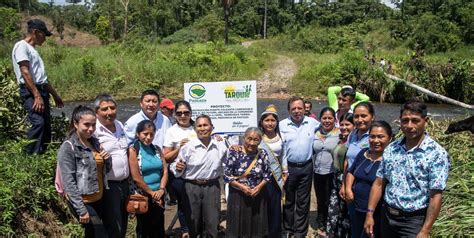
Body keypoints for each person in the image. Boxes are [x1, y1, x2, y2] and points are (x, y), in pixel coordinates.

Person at [364, 101, 450, 238]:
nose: (409, 126)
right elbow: (379, 182)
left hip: (413, 222)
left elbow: (435, 196)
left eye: (415, 121)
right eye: (405, 121)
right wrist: (369, 213)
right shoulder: (392, 148)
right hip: (387, 216)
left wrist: (425, 230)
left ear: (425, 121)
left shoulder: (436, 154)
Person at [57, 106, 110, 237]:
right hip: (84, 201)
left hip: (99, 198)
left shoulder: (95, 143)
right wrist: (81, 209)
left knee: (92, 234)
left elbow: (105, 170)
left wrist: (108, 159)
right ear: (75, 124)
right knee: (100, 234)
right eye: (86, 125)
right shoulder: (68, 147)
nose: (90, 129)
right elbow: (68, 181)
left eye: (93, 125)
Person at [12, 19, 64, 154]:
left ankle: (43, 156)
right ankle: (30, 158)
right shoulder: (21, 46)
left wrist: (55, 95)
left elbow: (42, 79)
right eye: (43, 35)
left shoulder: (33, 50)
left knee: (46, 126)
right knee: (38, 123)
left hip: (41, 90)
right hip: (30, 91)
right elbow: (25, 72)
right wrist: (36, 95)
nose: (45, 39)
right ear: (35, 32)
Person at [171, 115, 227, 238]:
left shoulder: (220, 147)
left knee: (212, 221)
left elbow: (229, 165)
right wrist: (178, 168)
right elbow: (175, 167)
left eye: (205, 125)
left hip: (212, 186)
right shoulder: (187, 148)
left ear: (212, 127)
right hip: (191, 187)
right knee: (193, 221)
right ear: (195, 129)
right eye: (199, 126)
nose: (202, 128)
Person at [280, 96, 320, 238]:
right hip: (288, 168)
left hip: (306, 167)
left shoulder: (313, 123)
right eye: (293, 109)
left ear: (305, 109)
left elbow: (330, 128)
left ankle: (300, 232)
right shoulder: (282, 125)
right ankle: (288, 229)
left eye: (299, 108)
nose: (297, 111)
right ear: (288, 110)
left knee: (303, 201)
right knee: (288, 200)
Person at [345, 121, 393, 238]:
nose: (376, 140)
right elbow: (351, 172)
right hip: (356, 205)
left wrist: (370, 213)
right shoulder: (363, 153)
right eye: (372, 136)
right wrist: (348, 189)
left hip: (375, 211)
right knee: (355, 233)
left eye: (381, 137)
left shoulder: (390, 159)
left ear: (390, 138)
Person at [224, 127, 271, 237]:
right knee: (238, 226)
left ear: (260, 141)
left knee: (256, 225)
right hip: (238, 195)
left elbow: (267, 175)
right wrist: (242, 187)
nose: (252, 142)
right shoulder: (234, 152)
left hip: (257, 194)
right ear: (244, 138)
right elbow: (227, 176)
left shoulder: (262, 153)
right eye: (249, 138)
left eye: (256, 139)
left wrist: (258, 188)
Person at [93, 94, 129, 238]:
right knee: (113, 225)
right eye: (104, 109)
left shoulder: (119, 125)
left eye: (112, 108)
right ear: (96, 112)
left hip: (125, 184)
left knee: (124, 222)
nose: (109, 112)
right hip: (109, 186)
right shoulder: (94, 130)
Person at [128, 120, 168, 237]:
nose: (148, 137)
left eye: (151, 134)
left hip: (159, 194)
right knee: (144, 228)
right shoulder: (134, 150)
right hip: (142, 195)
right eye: (145, 134)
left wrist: (161, 189)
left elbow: (165, 170)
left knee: (159, 226)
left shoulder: (157, 149)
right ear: (138, 134)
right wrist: (152, 193)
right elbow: (136, 177)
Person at [163, 100, 196, 238]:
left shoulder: (197, 126)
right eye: (179, 113)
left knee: (198, 202)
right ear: (175, 115)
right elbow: (166, 157)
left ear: (191, 113)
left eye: (186, 112)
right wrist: (179, 148)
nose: (183, 116)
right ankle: (185, 230)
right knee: (184, 203)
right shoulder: (171, 131)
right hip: (178, 174)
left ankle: (200, 226)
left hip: (197, 173)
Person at [344, 102, 375, 231]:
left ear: (372, 117)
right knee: (354, 221)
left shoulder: (375, 136)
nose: (359, 120)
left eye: (364, 116)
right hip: (350, 183)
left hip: (366, 185)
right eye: (356, 116)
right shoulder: (353, 134)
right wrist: (345, 186)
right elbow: (347, 159)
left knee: (368, 224)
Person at [258, 105, 288, 237]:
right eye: (267, 120)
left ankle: (275, 233)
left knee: (275, 206)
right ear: (262, 122)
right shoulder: (257, 137)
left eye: (273, 120)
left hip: (276, 176)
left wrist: (285, 172)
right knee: (261, 205)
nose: (270, 123)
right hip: (260, 177)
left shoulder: (282, 137)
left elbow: (284, 156)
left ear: (277, 122)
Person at [312, 107, 340, 237]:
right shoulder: (315, 133)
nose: (327, 120)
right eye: (324, 118)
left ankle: (331, 224)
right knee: (320, 199)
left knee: (330, 199)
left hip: (331, 173)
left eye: (330, 118)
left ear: (335, 119)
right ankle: (320, 221)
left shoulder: (340, 133)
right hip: (317, 172)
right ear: (320, 119)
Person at [326, 113, 354, 237]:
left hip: (346, 179)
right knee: (334, 209)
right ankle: (333, 233)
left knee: (344, 211)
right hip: (336, 178)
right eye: (342, 124)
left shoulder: (354, 142)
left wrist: (345, 184)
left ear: (354, 126)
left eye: (347, 124)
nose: (344, 127)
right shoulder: (341, 139)